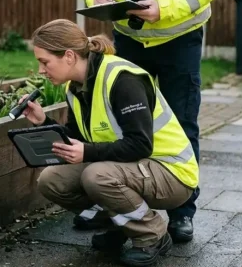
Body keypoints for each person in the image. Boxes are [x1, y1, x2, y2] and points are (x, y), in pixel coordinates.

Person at [74, 0, 228, 241]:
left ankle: (182, 212)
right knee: (125, 123)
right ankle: (126, 212)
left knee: (181, 121)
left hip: (179, 37)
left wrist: (166, 7)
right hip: (129, 38)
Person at [20, 19, 199, 267]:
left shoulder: (123, 80)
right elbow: (79, 137)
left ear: (69, 56)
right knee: (51, 180)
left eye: (44, 62)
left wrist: (87, 152)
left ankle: (152, 234)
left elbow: (140, 145)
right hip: (132, 166)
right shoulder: (75, 87)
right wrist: (43, 121)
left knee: (96, 175)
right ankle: (123, 225)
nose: (41, 70)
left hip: (172, 172)